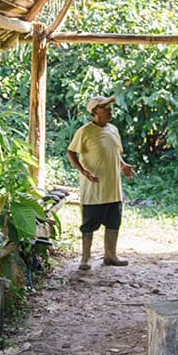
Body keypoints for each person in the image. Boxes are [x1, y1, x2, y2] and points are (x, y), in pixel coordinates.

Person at [66, 95, 135, 270]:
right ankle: (85, 258)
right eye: (105, 107)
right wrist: (83, 171)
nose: (110, 110)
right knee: (89, 225)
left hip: (113, 188)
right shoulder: (84, 131)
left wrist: (123, 165)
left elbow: (115, 153)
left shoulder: (113, 129)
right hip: (94, 188)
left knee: (114, 223)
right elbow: (71, 153)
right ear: (95, 111)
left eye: (110, 107)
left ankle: (110, 255)